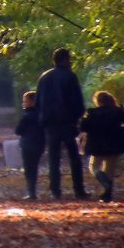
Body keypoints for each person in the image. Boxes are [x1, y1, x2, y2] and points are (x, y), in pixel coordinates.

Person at [35, 47, 89, 199]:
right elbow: (77, 100)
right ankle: (79, 190)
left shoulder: (44, 77)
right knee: (74, 158)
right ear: (65, 59)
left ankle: (55, 191)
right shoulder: (70, 76)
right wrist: (78, 118)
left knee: (53, 158)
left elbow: (38, 102)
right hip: (67, 123)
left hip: (50, 124)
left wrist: (42, 119)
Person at [79, 90, 124, 202]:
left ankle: (103, 182)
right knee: (109, 170)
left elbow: (83, 127)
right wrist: (122, 131)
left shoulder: (92, 113)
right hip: (115, 143)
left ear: (97, 101)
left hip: (96, 144)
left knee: (94, 166)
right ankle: (107, 195)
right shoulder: (118, 111)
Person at [14, 90, 45, 200]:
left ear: (32, 102)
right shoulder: (42, 114)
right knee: (35, 166)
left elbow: (18, 131)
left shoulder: (26, 116)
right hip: (39, 143)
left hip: (27, 144)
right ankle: (32, 190)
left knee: (28, 168)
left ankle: (31, 191)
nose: (24, 104)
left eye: (25, 101)